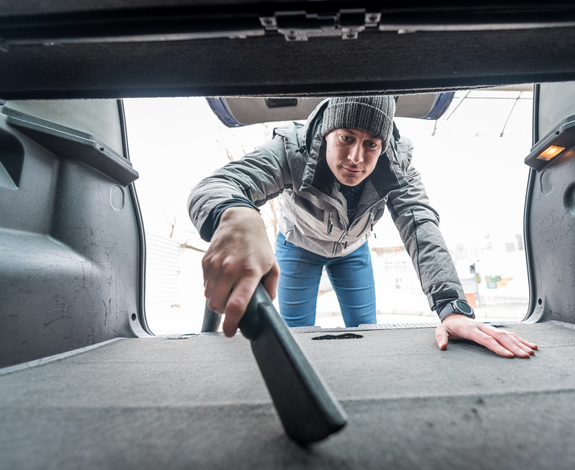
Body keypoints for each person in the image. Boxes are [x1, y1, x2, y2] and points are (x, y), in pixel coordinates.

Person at [188, 96, 537, 358]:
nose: (356, 157)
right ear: (327, 133)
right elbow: (217, 186)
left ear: (383, 147)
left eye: (371, 144)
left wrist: (451, 308)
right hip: (297, 250)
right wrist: (236, 216)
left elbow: (422, 228)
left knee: (366, 332)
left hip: (352, 252)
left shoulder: (397, 170)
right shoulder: (290, 149)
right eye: (346, 138)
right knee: (295, 336)